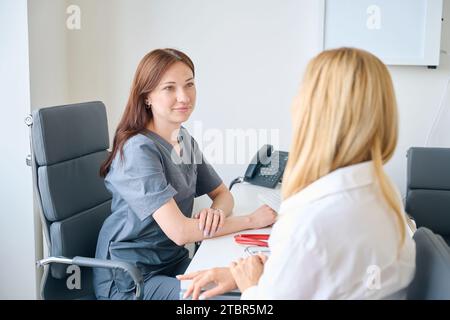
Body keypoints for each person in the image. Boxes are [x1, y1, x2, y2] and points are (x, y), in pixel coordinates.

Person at [178, 47, 417, 300]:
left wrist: (250, 288)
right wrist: (247, 274)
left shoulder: (311, 219)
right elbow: (329, 271)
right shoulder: (383, 191)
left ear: (315, 112)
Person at [93, 48, 276, 300]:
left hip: (172, 262)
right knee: (225, 299)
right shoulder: (138, 150)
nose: (183, 96)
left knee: (240, 282)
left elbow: (223, 193)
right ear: (147, 96)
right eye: (169, 88)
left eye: (189, 84)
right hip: (131, 279)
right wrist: (252, 221)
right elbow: (180, 232)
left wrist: (216, 213)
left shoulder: (182, 138)